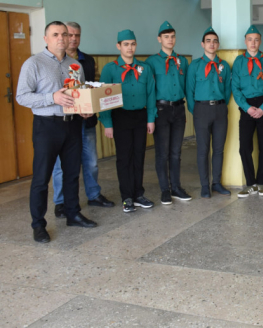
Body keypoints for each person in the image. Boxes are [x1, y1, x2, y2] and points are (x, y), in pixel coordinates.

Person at [16, 21, 98, 243]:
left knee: (72, 173)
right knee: (42, 177)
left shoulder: (76, 65)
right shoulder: (34, 63)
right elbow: (22, 96)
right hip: (47, 126)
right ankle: (38, 225)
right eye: (55, 34)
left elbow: (79, 93)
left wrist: (84, 109)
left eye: (64, 34)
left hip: (72, 124)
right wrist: (52, 97)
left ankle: (73, 214)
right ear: (46, 39)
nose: (61, 38)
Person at [52, 22, 114, 219]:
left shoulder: (87, 60)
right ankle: (61, 202)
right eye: (69, 35)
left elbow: (92, 87)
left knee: (91, 162)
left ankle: (94, 195)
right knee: (60, 166)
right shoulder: (55, 60)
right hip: (63, 122)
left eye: (77, 35)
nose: (73, 39)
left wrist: (92, 108)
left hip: (86, 121)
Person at [99, 29, 157, 213]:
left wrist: (150, 119)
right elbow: (103, 98)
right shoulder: (110, 69)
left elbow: (151, 94)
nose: (130, 47)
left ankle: (139, 194)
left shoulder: (144, 68)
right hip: (120, 117)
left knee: (139, 156)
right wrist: (107, 123)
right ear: (119, 46)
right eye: (126, 44)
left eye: (132, 44)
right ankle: (127, 197)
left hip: (140, 116)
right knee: (124, 158)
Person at [145, 21, 192, 205]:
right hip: (161, 110)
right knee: (162, 153)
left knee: (176, 152)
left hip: (179, 109)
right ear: (159, 39)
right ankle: (165, 189)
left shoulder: (182, 61)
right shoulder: (151, 62)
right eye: (166, 37)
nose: (170, 40)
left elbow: (187, 86)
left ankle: (176, 187)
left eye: (172, 36)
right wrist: (150, 116)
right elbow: (149, 91)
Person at [186, 26, 232, 198]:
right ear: (202, 44)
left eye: (214, 41)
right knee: (203, 149)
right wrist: (196, 111)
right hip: (201, 110)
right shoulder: (195, 66)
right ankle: (205, 185)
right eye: (208, 41)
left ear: (218, 44)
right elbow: (189, 91)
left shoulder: (224, 66)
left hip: (220, 109)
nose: (211, 44)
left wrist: (221, 105)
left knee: (218, 149)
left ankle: (216, 183)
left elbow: (227, 89)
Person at [232, 25, 263, 198]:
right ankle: (250, 183)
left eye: (256, 40)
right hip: (247, 107)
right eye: (250, 39)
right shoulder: (238, 62)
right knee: (244, 147)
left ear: (260, 42)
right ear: (245, 41)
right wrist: (247, 107)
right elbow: (235, 88)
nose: (253, 43)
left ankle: (262, 182)